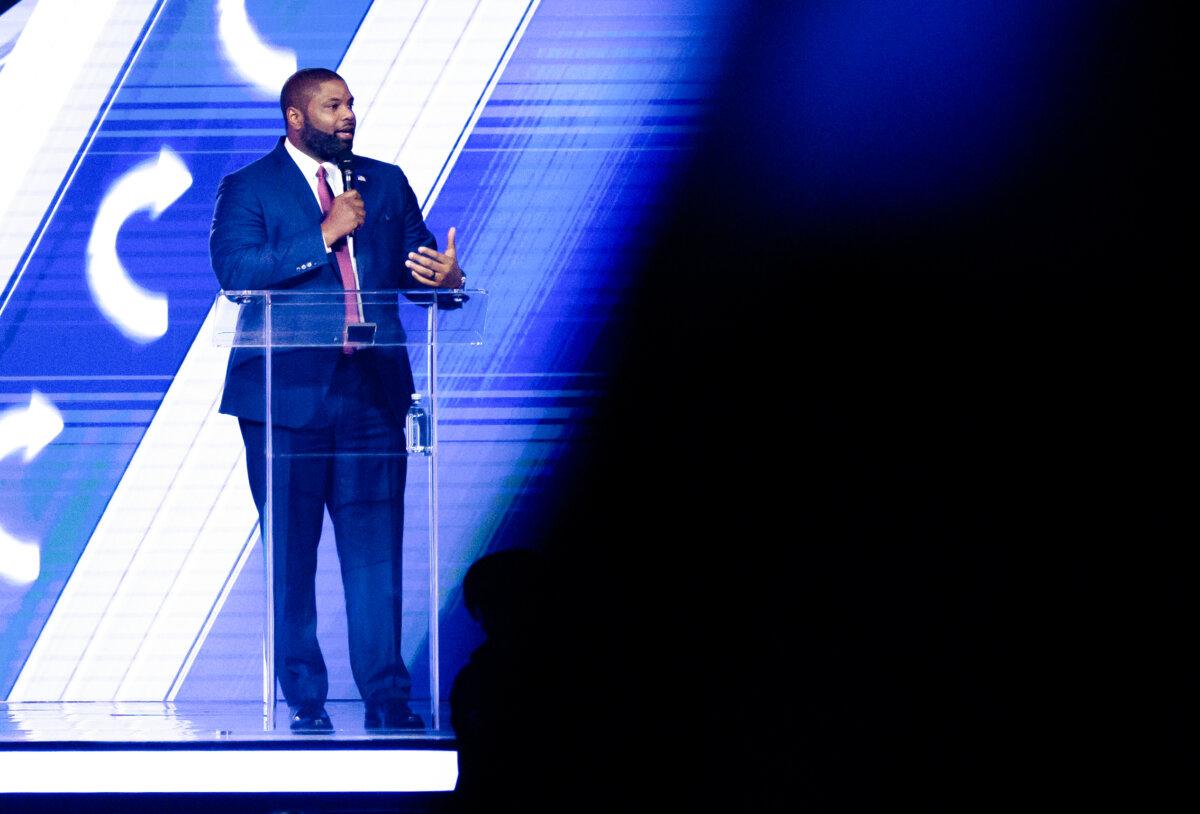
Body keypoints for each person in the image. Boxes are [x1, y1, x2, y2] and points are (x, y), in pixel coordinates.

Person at [209, 67, 465, 733]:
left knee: (376, 554)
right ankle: (306, 699)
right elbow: (236, 275)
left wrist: (446, 278)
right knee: (291, 557)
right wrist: (323, 233)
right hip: (284, 398)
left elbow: (419, 270)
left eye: (351, 103)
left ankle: (386, 696)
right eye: (333, 105)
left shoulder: (383, 181)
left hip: (371, 395)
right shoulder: (249, 187)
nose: (347, 114)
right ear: (297, 118)